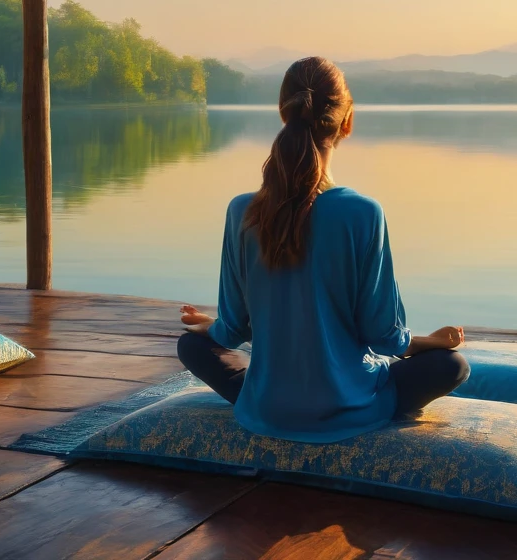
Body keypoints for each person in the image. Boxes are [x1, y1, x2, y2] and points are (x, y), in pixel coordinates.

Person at [177, 57, 470, 443]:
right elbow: (384, 338)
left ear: (284, 114)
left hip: (266, 410)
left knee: (191, 346)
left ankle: (271, 394)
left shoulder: (241, 211)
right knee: (451, 366)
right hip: (350, 408)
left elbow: (231, 333)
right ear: (347, 122)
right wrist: (432, 342)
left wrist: (209, 325)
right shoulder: (363, 213)